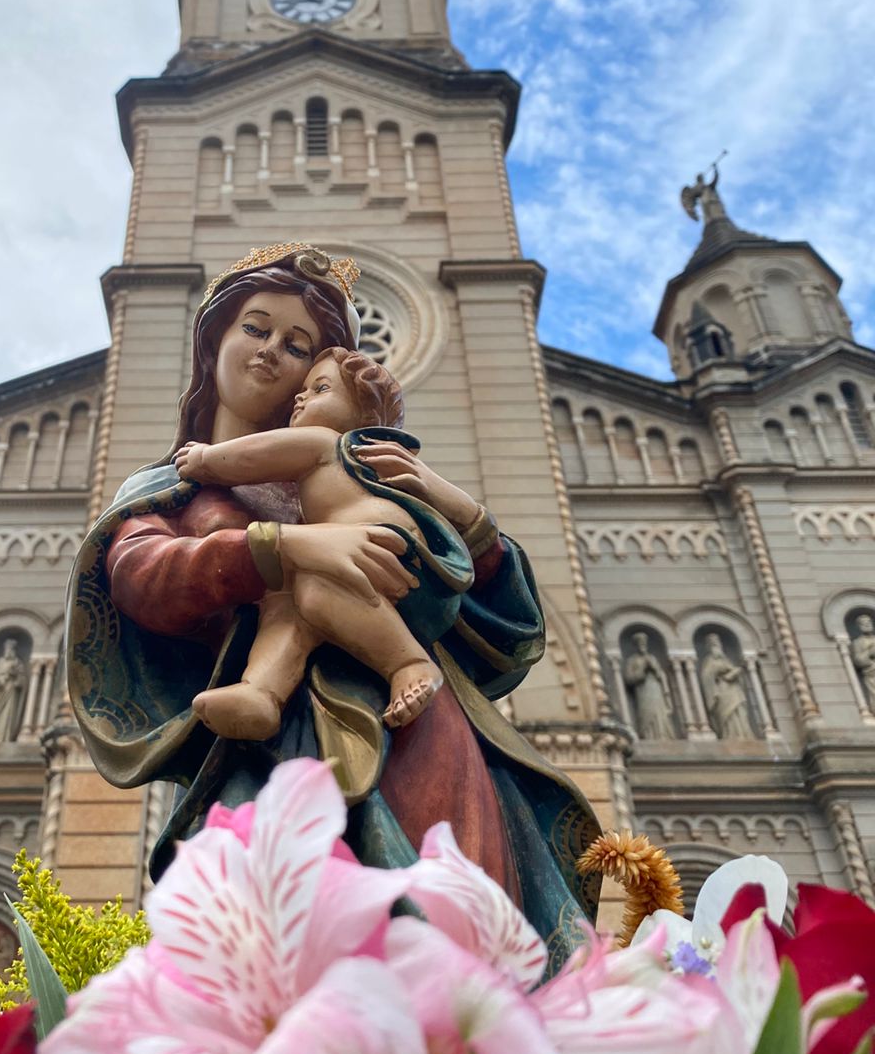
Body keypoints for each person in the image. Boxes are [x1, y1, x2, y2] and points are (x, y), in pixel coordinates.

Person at [65, 243, 601, 967]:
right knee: (287, 962)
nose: (271, 353)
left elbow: (501, 612)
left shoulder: (357, 473)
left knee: (456, 951)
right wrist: (284, 548)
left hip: (413, 732)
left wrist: (445, 500)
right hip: (272, 760)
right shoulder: (175, 490)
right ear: (213, 338)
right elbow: (139, 575)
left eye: (299, 347)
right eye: (254, 328)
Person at [176, 346, 472, 738]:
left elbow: (254, 456)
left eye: (320, 389)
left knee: (314, 589)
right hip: (382, 572)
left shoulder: (325, 443)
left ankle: (409, 664)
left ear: (362, 417)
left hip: (388, 555)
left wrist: (205, 459)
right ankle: (261, 693)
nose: (300, 396)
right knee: (283, 601)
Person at [621, 630, 678, 740]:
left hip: (656, 688)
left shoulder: (652, 658)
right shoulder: (632, 660)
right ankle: (649, 736)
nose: (642, 645)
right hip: (642, 691)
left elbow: (661, 675)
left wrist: (655, 669)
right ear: (636, 645)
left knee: (660, 713)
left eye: (643, 643)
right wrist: (642, 670)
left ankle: (663, 735)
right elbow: (628, 678)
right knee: (647, 714)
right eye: (640, 643)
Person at [699, 632, 753, 739]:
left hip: (734, 689)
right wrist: (719, 670)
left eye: (717, 642)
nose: (716, 644)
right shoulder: (709, 660)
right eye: (712, 643)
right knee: (727, 715)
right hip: (721, 690)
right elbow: (706, 676)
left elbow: (734, 673)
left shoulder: (726, 659)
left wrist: (735, 672)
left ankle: (743, 734)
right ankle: (730, 735)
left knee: (740, 712)